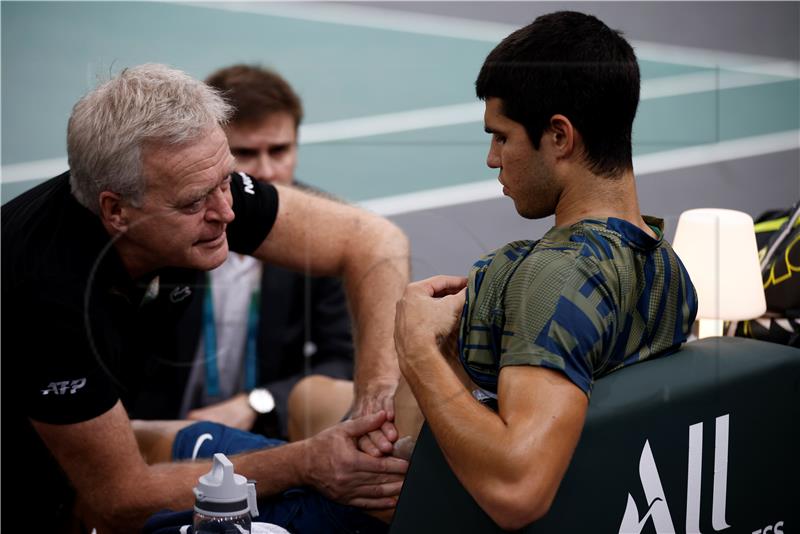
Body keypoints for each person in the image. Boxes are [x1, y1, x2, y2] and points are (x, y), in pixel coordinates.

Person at [1, 63, 409, 532]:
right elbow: (119, 497)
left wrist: (376, 393)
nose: (228, 211)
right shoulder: (46, 294)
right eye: (195, 202)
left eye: (226, 181)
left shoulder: (191, 187)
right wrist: (306, 461)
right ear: (116, 210)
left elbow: (374, 241)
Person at [391, 11, 698, 530]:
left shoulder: (554, 278)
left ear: (559, 136)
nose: (492, 158)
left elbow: (519, 488)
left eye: (502, 137)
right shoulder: (670, 268)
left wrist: (417, 350)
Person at [135, 64, 355, 440]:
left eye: (280, 150)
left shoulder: (329, 230)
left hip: (268, 435)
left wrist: (256, 403)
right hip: (157, 431)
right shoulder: (163, 221)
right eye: (246, 153)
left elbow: (343, 360)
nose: (267, 171)